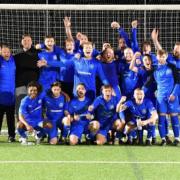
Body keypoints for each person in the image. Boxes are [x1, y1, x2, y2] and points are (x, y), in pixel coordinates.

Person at [14, 34, 41, 117]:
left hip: (34, 85)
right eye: (24, 40)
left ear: (31, 42)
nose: (26, 42)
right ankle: (20, 127)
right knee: (20, 106)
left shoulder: (38, 53)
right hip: (20, 85)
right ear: (22, 42)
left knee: (34, 107)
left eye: (28, 40)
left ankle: (33, 126)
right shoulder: (17, 55)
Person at [0, 45, 16, 142]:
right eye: (4, 52)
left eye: (7, 52)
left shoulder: (14, 60)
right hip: (1, 95)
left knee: (11, 118)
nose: (6, 53)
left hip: (11, 95)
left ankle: (11, 136)